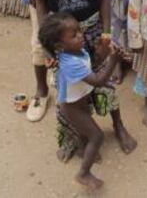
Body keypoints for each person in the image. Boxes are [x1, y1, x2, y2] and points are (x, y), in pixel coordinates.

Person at [31, 0, 136, 159]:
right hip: (61, 36)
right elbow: (41, 3)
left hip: (90, 31)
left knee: (104, 81)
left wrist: (106, 33)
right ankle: (74, 137)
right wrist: (47, 46)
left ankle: (118, 126)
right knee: (67, 89)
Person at [38, 12, 126, 193]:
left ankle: (82, 149)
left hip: (79, 101)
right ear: (59, 46)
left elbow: (91, 66)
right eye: (74, 35)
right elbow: (98, 81)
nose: (80, 35)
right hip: (72, 108)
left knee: (85, 132)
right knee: (97, 136)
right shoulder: (70, 63)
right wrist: (114, 60)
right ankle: (83, 173)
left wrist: (102, 52)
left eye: (79, 30)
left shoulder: (78, 51)